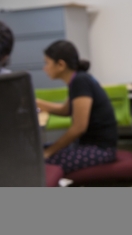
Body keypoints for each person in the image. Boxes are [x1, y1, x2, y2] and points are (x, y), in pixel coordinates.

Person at [36, 40, 117, 174]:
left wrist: (50, 151)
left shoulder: (80, 82)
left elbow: (78, 128)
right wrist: (38, 102)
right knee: (37, 153)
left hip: (100, 149)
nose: (44, 68)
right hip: (92, 146)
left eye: (47, 63)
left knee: (41, 163)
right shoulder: (77, 80)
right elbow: (66, 110)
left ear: (61, 65)